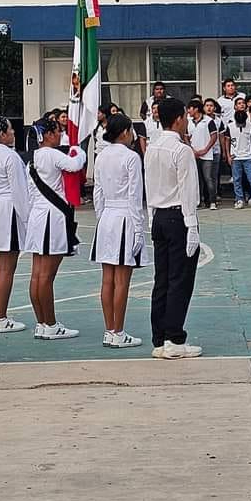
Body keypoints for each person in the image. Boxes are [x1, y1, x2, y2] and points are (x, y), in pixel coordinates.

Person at [144, 97, 202, 359]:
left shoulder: (152, 147)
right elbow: (188, 190)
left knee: (162, 279)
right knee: (180, 280)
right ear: (178, 119)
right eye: (185, 116)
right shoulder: (181, 150)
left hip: (159, 216)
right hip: (178, 217)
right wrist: (192, 226)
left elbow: (149, 186)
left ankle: (160, 338)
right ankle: (174, 339)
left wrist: (151, 217)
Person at [26, 118, 86, 340]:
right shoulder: (51, 154)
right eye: (58, 131)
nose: (61, 134)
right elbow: (75, 164)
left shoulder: (32, 158)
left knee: (37, 275)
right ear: (49, 134)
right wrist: (79, 150)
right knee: (46, 276)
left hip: (37, 215)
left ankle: (42, 323)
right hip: (52, 217)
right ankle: (50, 324)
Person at [91, 114, 147, 348]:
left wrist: (101, 219)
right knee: (122, 280)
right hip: (124, 217)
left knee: (107, 279)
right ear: (124, 132)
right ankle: (118, 331)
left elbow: (97, 193)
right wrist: (139, 229)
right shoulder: (131, 157)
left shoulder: (102, 156)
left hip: (107, 217)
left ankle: (109, 330)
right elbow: (135, 196)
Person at [0, 116, 30, 335]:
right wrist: (27, 220)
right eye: (10, 129)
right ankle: (0, 317)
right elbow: (19, 191)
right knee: (6, 268)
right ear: (1, 134)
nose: (13, 132)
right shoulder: (10, 156)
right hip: (7, 212)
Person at [223, 96, 251, 209]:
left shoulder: (250, 126)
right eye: (239, 124)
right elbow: (227, 141)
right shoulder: (230, 126)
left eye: (242, 124)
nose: (241, 125)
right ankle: (239, 199)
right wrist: (228, 155)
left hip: (248, 157)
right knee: (237, 180)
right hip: (235, 158)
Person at [187, 99, 218, 210]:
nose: (188, 111)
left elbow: (214, 137)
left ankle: (212, 201)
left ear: (196, 109)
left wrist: (205, 149)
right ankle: (198, 201)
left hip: (207, 155)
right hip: (193, 154)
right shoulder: (188, 122)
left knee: (208, 178)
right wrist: (192, 150)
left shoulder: (209, 121)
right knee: (196, 179)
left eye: (190, 108)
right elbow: (186, 137)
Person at [204, 98, 226, 207]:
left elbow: (221, 136)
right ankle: (205, 198)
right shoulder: (202, 119)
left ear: (215, 108)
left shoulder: (218, 120)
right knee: (205, 177)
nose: (209, 108)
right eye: (207, 105)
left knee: (214, 176)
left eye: (211, 106)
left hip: (216, 151)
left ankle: (213, 197)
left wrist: (223, 151)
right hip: (204, 152)